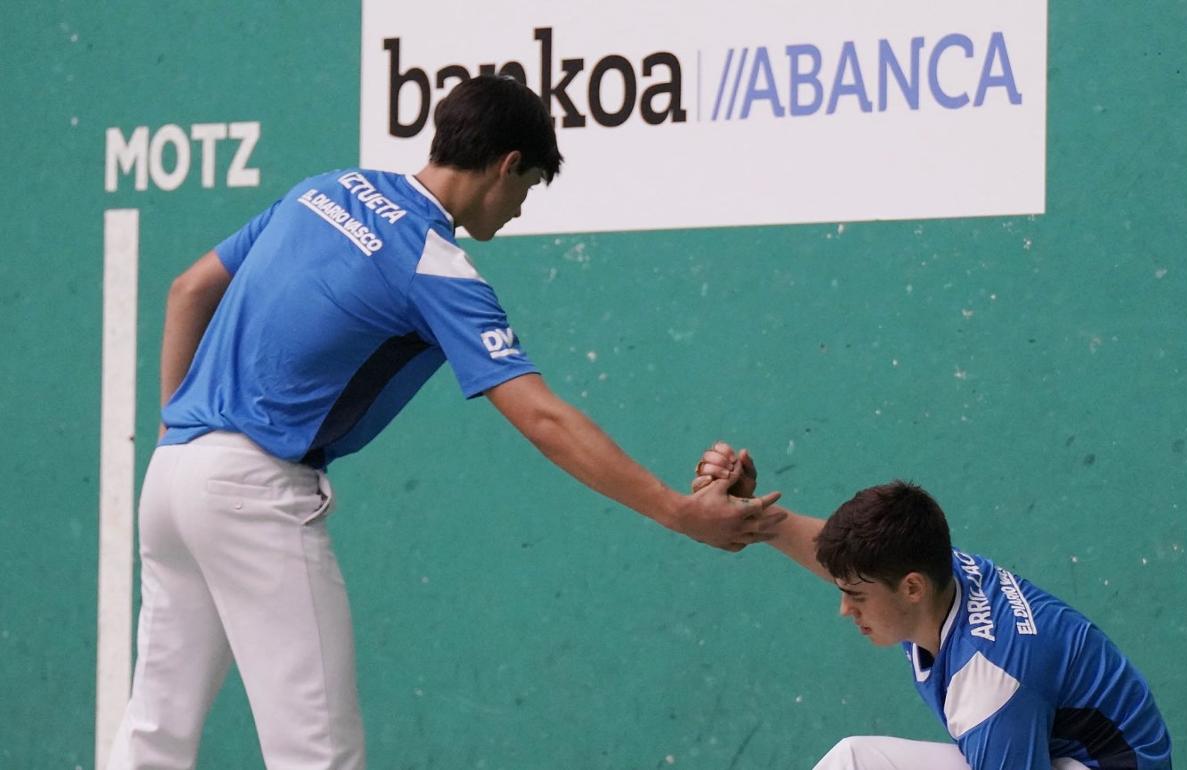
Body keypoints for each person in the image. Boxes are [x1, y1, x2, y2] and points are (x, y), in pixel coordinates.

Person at [107, 75, 785, 770]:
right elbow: (542, 417)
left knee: (154, 731)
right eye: (528, 188)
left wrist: (175, 433)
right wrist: (677, 511)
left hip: (172, 475)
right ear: (505, 165)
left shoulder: (325, 188)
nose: (520, 210)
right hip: (253, 493)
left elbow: (188, 289)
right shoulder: (433, 262)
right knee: (317, 755)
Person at [693, 442, 1172, 770]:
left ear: (912, 588)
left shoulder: (989, 686)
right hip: (1055, 748)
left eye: (856, 598)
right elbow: (848, 561)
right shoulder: (935, 569)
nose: (845, 610)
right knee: (853, 763)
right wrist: (757, 517)